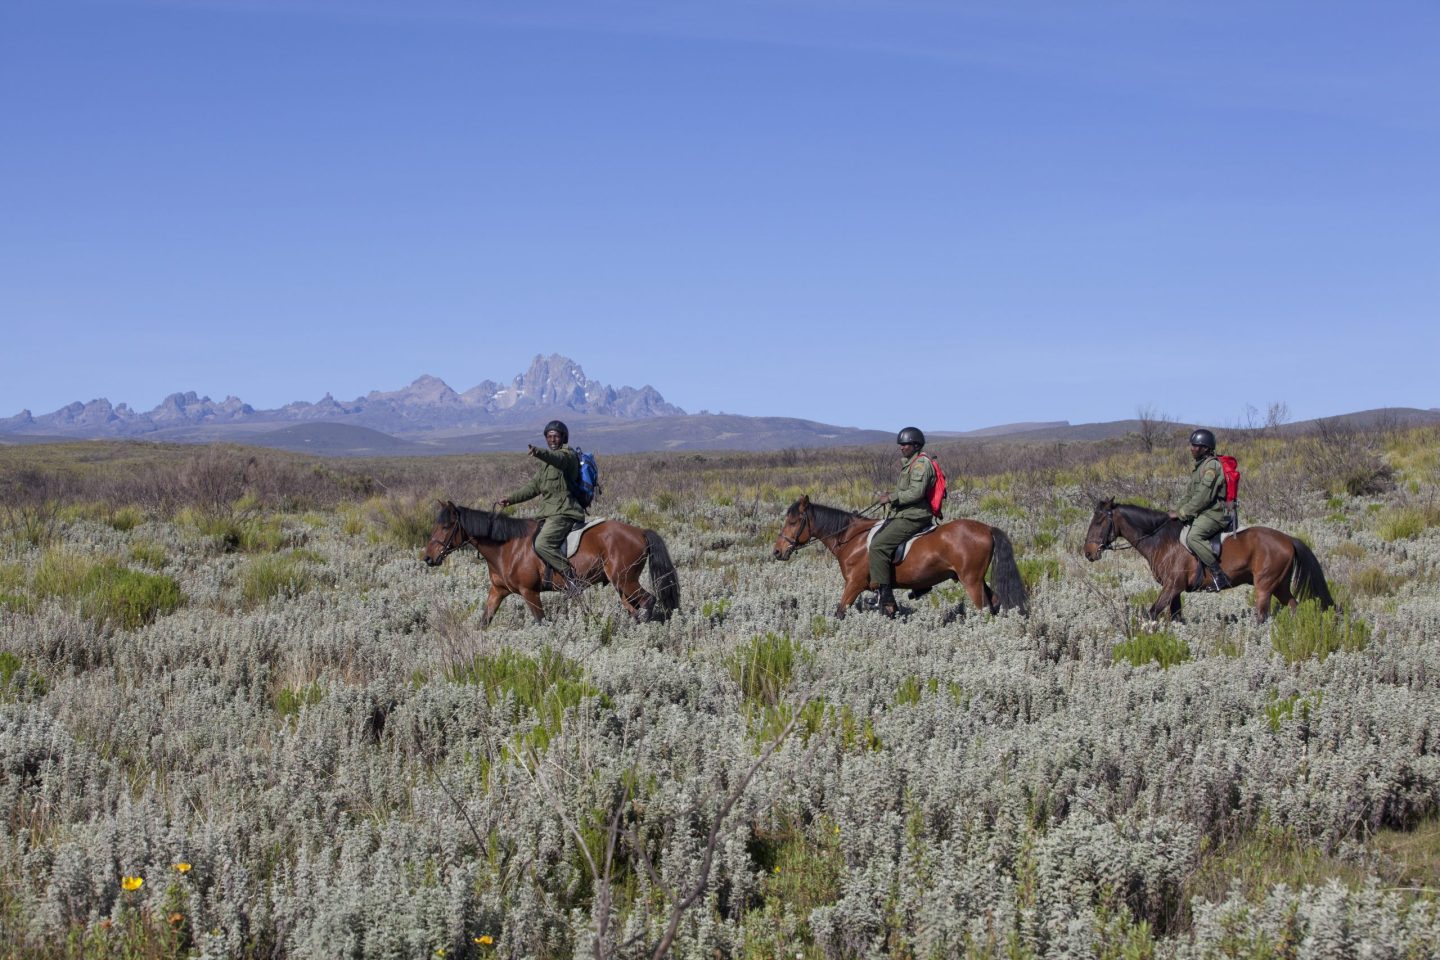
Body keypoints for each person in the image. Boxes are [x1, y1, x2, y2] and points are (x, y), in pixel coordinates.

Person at [498, 420, 587, 598]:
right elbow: (533, 487)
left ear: (563, 437)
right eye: (549, 436)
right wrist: (510, 499)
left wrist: (538, 452)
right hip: (547, 513)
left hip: (564, 512)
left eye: (556, 436)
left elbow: (557, 459)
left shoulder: (568, 456)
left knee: (542, 543)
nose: (552, 439)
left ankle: (571, 579)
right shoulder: (545, 467)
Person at [868, 426, 938, 617]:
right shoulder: (911, 463)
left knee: (878, 546)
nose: (901, 447)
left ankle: (885, 597)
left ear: (915, 445)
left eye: (905, 444)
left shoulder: (920, 465)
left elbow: (916, 493)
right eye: (901, 444)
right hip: (906, 513)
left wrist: (891, 498)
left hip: (914, 515)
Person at [1168, 427, 1230, 591]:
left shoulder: (1212, 467)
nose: (1191, 448)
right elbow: (1190, 495)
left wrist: (1183, 513)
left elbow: (1203, 496)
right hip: (1205, 511)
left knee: (1193, 537)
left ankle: (1219, 575)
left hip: (1215, 513)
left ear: (1205, 448)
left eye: (1195, 445)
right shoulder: (1200, 467)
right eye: (1192, 445)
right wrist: (1177, 511)